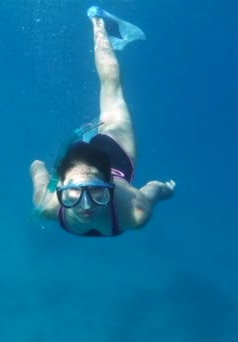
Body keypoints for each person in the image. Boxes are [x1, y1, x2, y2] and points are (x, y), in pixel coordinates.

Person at [30, 7, 175, 237]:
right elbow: (37, 169)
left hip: (110, 152)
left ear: (110, 185)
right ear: (59, 187)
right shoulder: (49, 206)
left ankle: (98, 21)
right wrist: (164, 189)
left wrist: (164, 190)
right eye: (73, 192)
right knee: (112, 89)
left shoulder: (133, 211)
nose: (85, 205)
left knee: (112, 88)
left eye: (97, 191)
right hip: (115, 148)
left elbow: (152, 190)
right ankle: (99, 22)